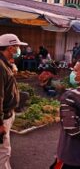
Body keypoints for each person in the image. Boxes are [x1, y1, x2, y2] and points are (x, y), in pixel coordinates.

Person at [0, 33, 28, 169]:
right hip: (3, 116)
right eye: (17, 46)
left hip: (7, 114)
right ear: (10, 48)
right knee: (3, 151)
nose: (18, 50)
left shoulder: (4, 63)